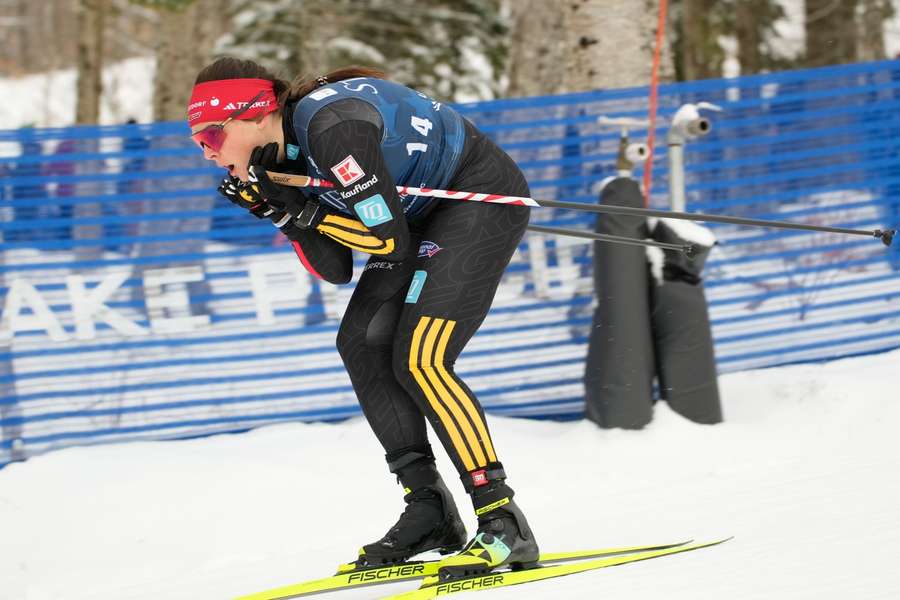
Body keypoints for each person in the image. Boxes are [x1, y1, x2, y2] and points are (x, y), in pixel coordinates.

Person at [187, 58, 538, 579]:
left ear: (257, 114)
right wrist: (281, 211)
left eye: (214, 135)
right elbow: (334, 267)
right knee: (362, 341)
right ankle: (430, 510)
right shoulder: (280, 153)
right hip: (411, 216)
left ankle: (502, 519)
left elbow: (387, 241)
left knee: (421, 358)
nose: (210, 153)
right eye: (199, 143)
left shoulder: (333, 131)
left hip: (476, 197)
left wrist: (304, 212)